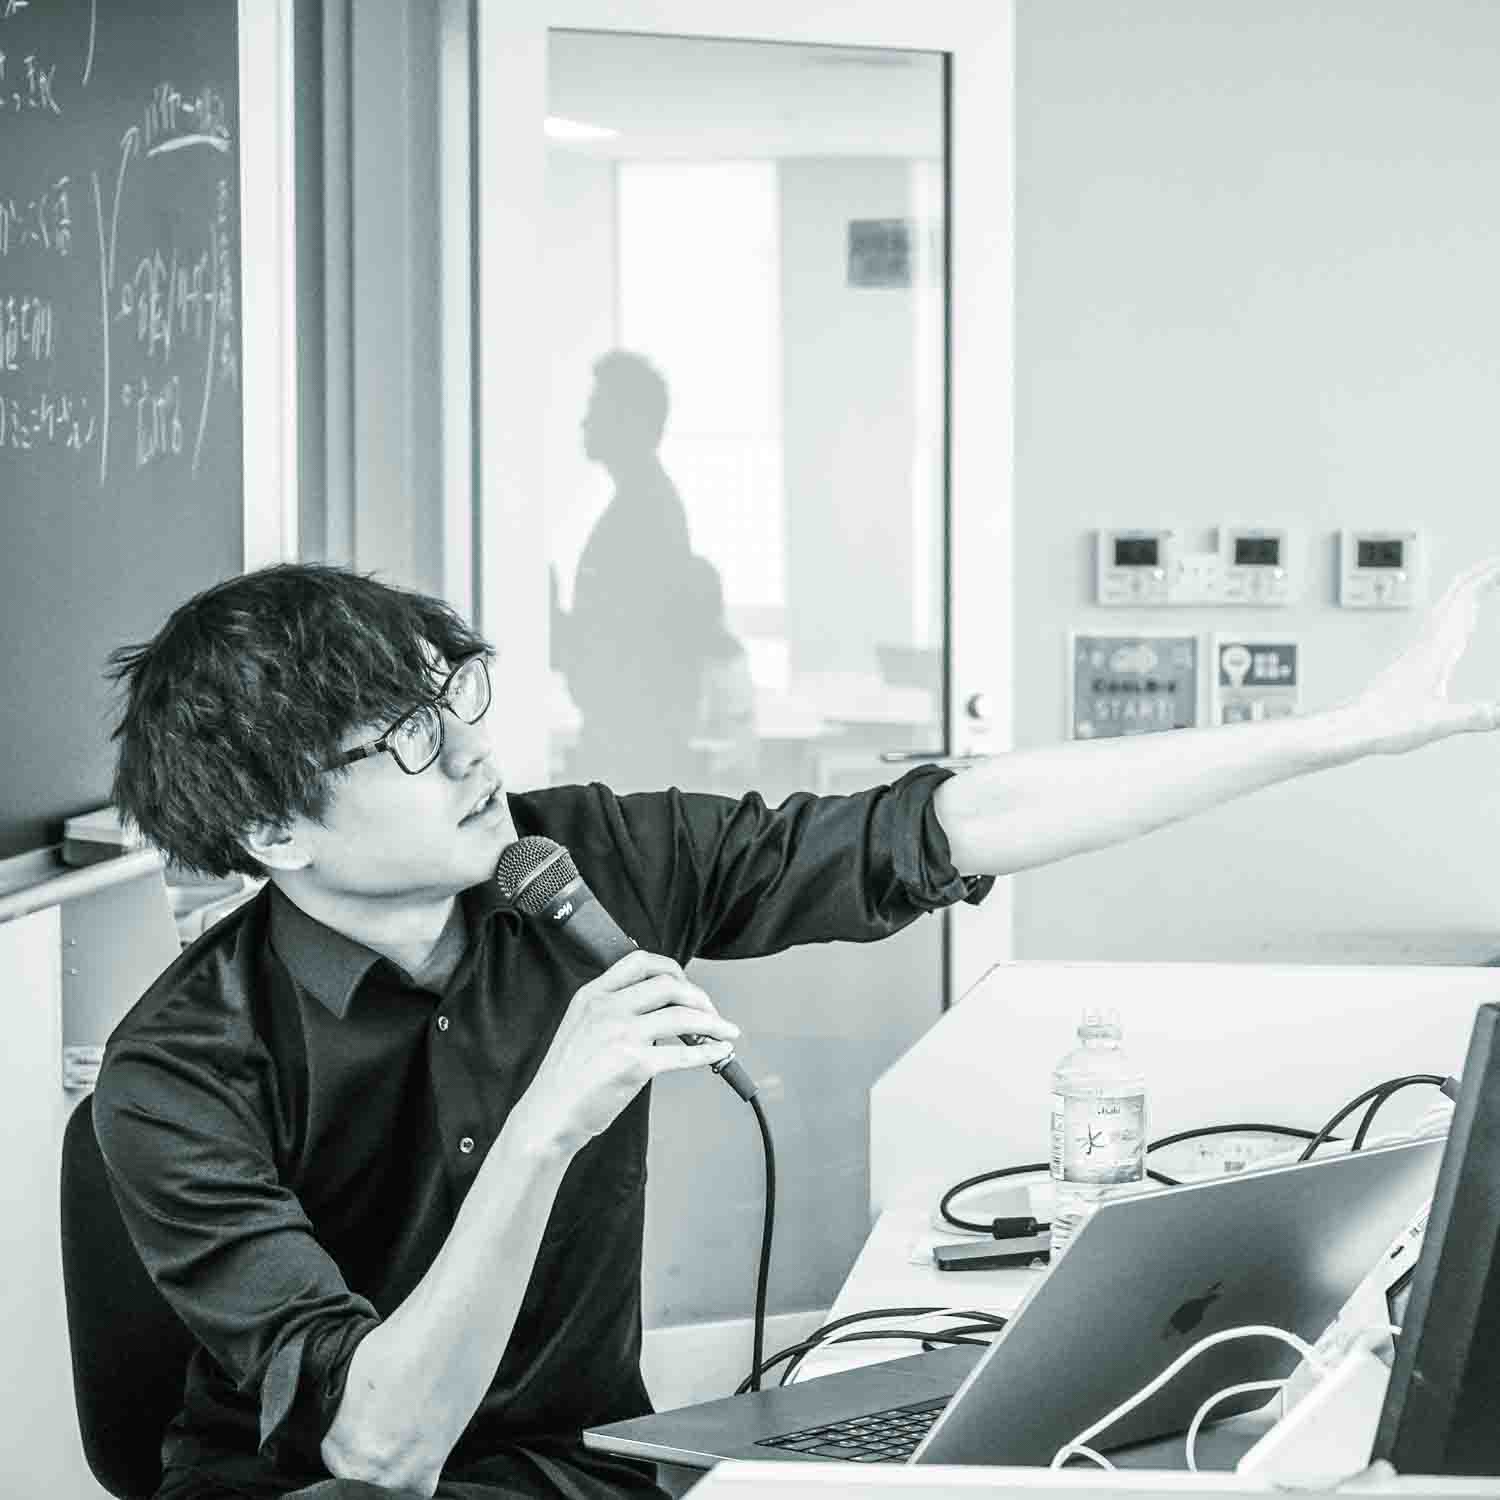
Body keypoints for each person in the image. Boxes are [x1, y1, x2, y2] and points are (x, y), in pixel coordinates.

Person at [94, 558, 1500, 1500]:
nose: (470, 753)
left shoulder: (580, 858)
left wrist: (1337, 736)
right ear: (273, 831)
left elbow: (941, 824)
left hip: (590, 1468)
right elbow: (381, 1447)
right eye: (403, 741)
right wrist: (544, 1128)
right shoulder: (177, 1073)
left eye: (449, 699)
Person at [551, 351, 714, 791]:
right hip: (627, 742)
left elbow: (620, 649)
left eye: (598, 408)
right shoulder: (642, 506)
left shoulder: (645, 516)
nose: (585, 422)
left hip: (629, 749)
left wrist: (550, 620)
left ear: (634, 422)